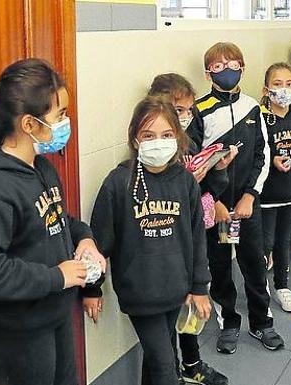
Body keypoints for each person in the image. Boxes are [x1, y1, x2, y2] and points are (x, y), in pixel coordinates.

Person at [0, 58, 107, 385]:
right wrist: (56, 277)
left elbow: (55, 220)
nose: (66, 122)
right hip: (21, 327)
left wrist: (84, 238)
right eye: (60, 115)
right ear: (28, 124)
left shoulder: (41, 168)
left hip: (54, 310)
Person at [88, 96, 212, 385]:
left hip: (176, 288)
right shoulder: (118, 183)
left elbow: (196, 239)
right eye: (149, 135)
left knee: (158, 357)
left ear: (178, 137)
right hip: (140, 292)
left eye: (167, 135)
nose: (159, 142)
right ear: (135, 138)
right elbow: (98, 242)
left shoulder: (185, 181)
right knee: (166, 365)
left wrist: (199, 287)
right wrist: (91, 289)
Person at [187, 42, 285, 355]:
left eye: (232, 63)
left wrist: (250, 197)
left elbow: (263, 155)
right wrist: (211, 201)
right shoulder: (199, 112)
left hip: (246, 209)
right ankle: (228, 322)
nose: (226, 69)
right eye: (218, 65)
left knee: (254, 266)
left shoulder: (254, 107)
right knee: (219, 269)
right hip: (214, 211)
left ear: (243, 66)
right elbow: (193, 163)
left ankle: (262, 322)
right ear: (207, 73)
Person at [147, 73, 230, 385]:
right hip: (166, 241)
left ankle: (192, 361)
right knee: (169, 314)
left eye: (188, 110)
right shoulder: (149, 151)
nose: (184, 117)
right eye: (177, 109)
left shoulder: (190, 143)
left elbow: (207, 187)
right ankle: (171, 369)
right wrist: (185, 185)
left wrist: (217, 170)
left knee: (194, 301)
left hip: (193, 234)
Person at [259, 62, 291, 311]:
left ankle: (282, 286)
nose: (284, 90)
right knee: (264, 244)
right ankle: (260, 291)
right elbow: (255, 156)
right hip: (266, 197)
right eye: (277, 84)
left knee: (283, 244)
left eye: (289, 84)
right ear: (266, 89)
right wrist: (272, 162)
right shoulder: (260, 119)